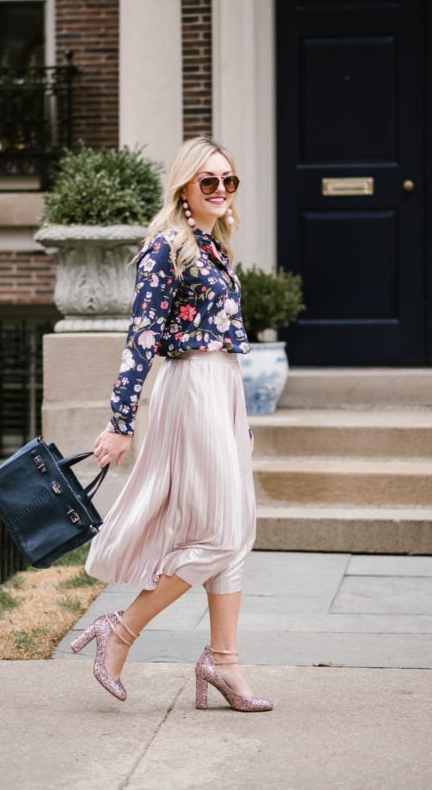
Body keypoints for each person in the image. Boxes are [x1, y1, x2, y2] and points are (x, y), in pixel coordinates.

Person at [71, 136, 272, 713]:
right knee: (220, 533)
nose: (220, 190)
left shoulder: (214, 250)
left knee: (237, 531)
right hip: (191, 391)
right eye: (208, 181)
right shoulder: (168, 247)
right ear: (184, 187)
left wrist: (241, 423)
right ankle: (122, 628)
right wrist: (120, 421)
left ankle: (225, 661)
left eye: (228, 181)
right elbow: (142, 338)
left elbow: (223, 349)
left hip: (223, 392)